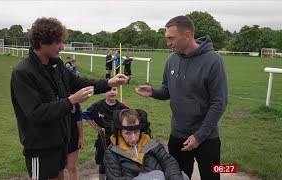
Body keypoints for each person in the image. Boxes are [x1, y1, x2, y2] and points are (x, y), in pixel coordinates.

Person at [10, 17, 128, 180]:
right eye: (58, 42)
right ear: (43, 41)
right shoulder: (23, 72)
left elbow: (79, 83)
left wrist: (109, 82)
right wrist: (71, 100)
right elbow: (36, 113)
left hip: (60, 142)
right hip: (40, 147)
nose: (62, 47)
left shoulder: (56, 65)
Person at [135, 15, 228, 180]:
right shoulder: (171, 60)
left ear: (187, 35)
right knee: (177, 176)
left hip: (207, 137)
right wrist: (154, 92)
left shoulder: (214, 61)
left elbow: (219, 103)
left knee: (212, 176)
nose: (168, 42)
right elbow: (167, 90)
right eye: (166, 38)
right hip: (178, 134)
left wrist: (199, 136)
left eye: (171, 38)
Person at [103, 109, 186, 180]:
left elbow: (168, 162)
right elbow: (114, 178)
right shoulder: (111, 152)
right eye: (128, 133)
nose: (134, 138)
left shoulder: (150, 143)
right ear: (119, 132)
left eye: (136, 132)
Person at [83, 87, 128, 180]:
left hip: (118, 139)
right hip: (103, 138)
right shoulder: (98, 105)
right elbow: (85, 114)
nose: (112, 92)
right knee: (102, 162)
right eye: (109, 90)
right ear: (103, 92)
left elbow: (131, 119)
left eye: (114, 90)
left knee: (117, 162)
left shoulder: (122, 107)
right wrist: (95, 126)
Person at [66, 103, 84, 180]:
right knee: (56, 170)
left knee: (72, 167)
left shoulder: (75, 103)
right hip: (56, 139)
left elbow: (79, 120)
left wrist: (81, 137)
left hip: (72, 137)